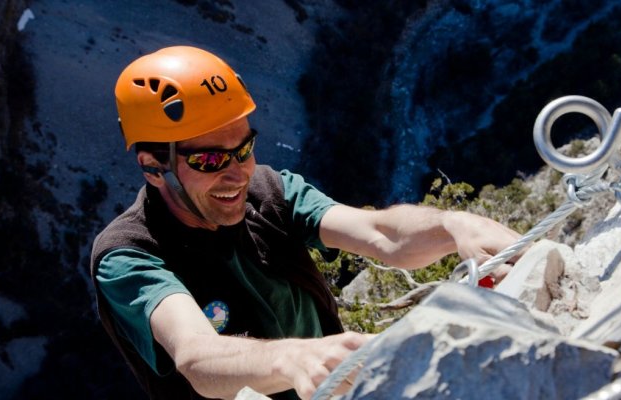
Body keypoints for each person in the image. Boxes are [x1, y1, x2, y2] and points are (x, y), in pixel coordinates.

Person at [90, 46, 522, 400]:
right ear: (152, 167)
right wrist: (292, 358)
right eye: (210, 160)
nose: (237, 173)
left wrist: (452, 227)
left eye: (244, 149)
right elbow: (197, 356)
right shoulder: (130, 254)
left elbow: (380, 233)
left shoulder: (269, 191)